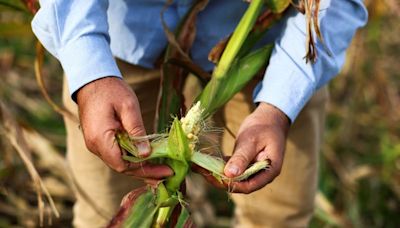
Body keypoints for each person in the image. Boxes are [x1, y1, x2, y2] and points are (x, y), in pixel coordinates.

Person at [31, 0, 367, 227]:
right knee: (105, 209)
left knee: (279, 212)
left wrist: (278, 105)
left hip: (271, 45)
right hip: (118, 37)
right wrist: (91, 69)